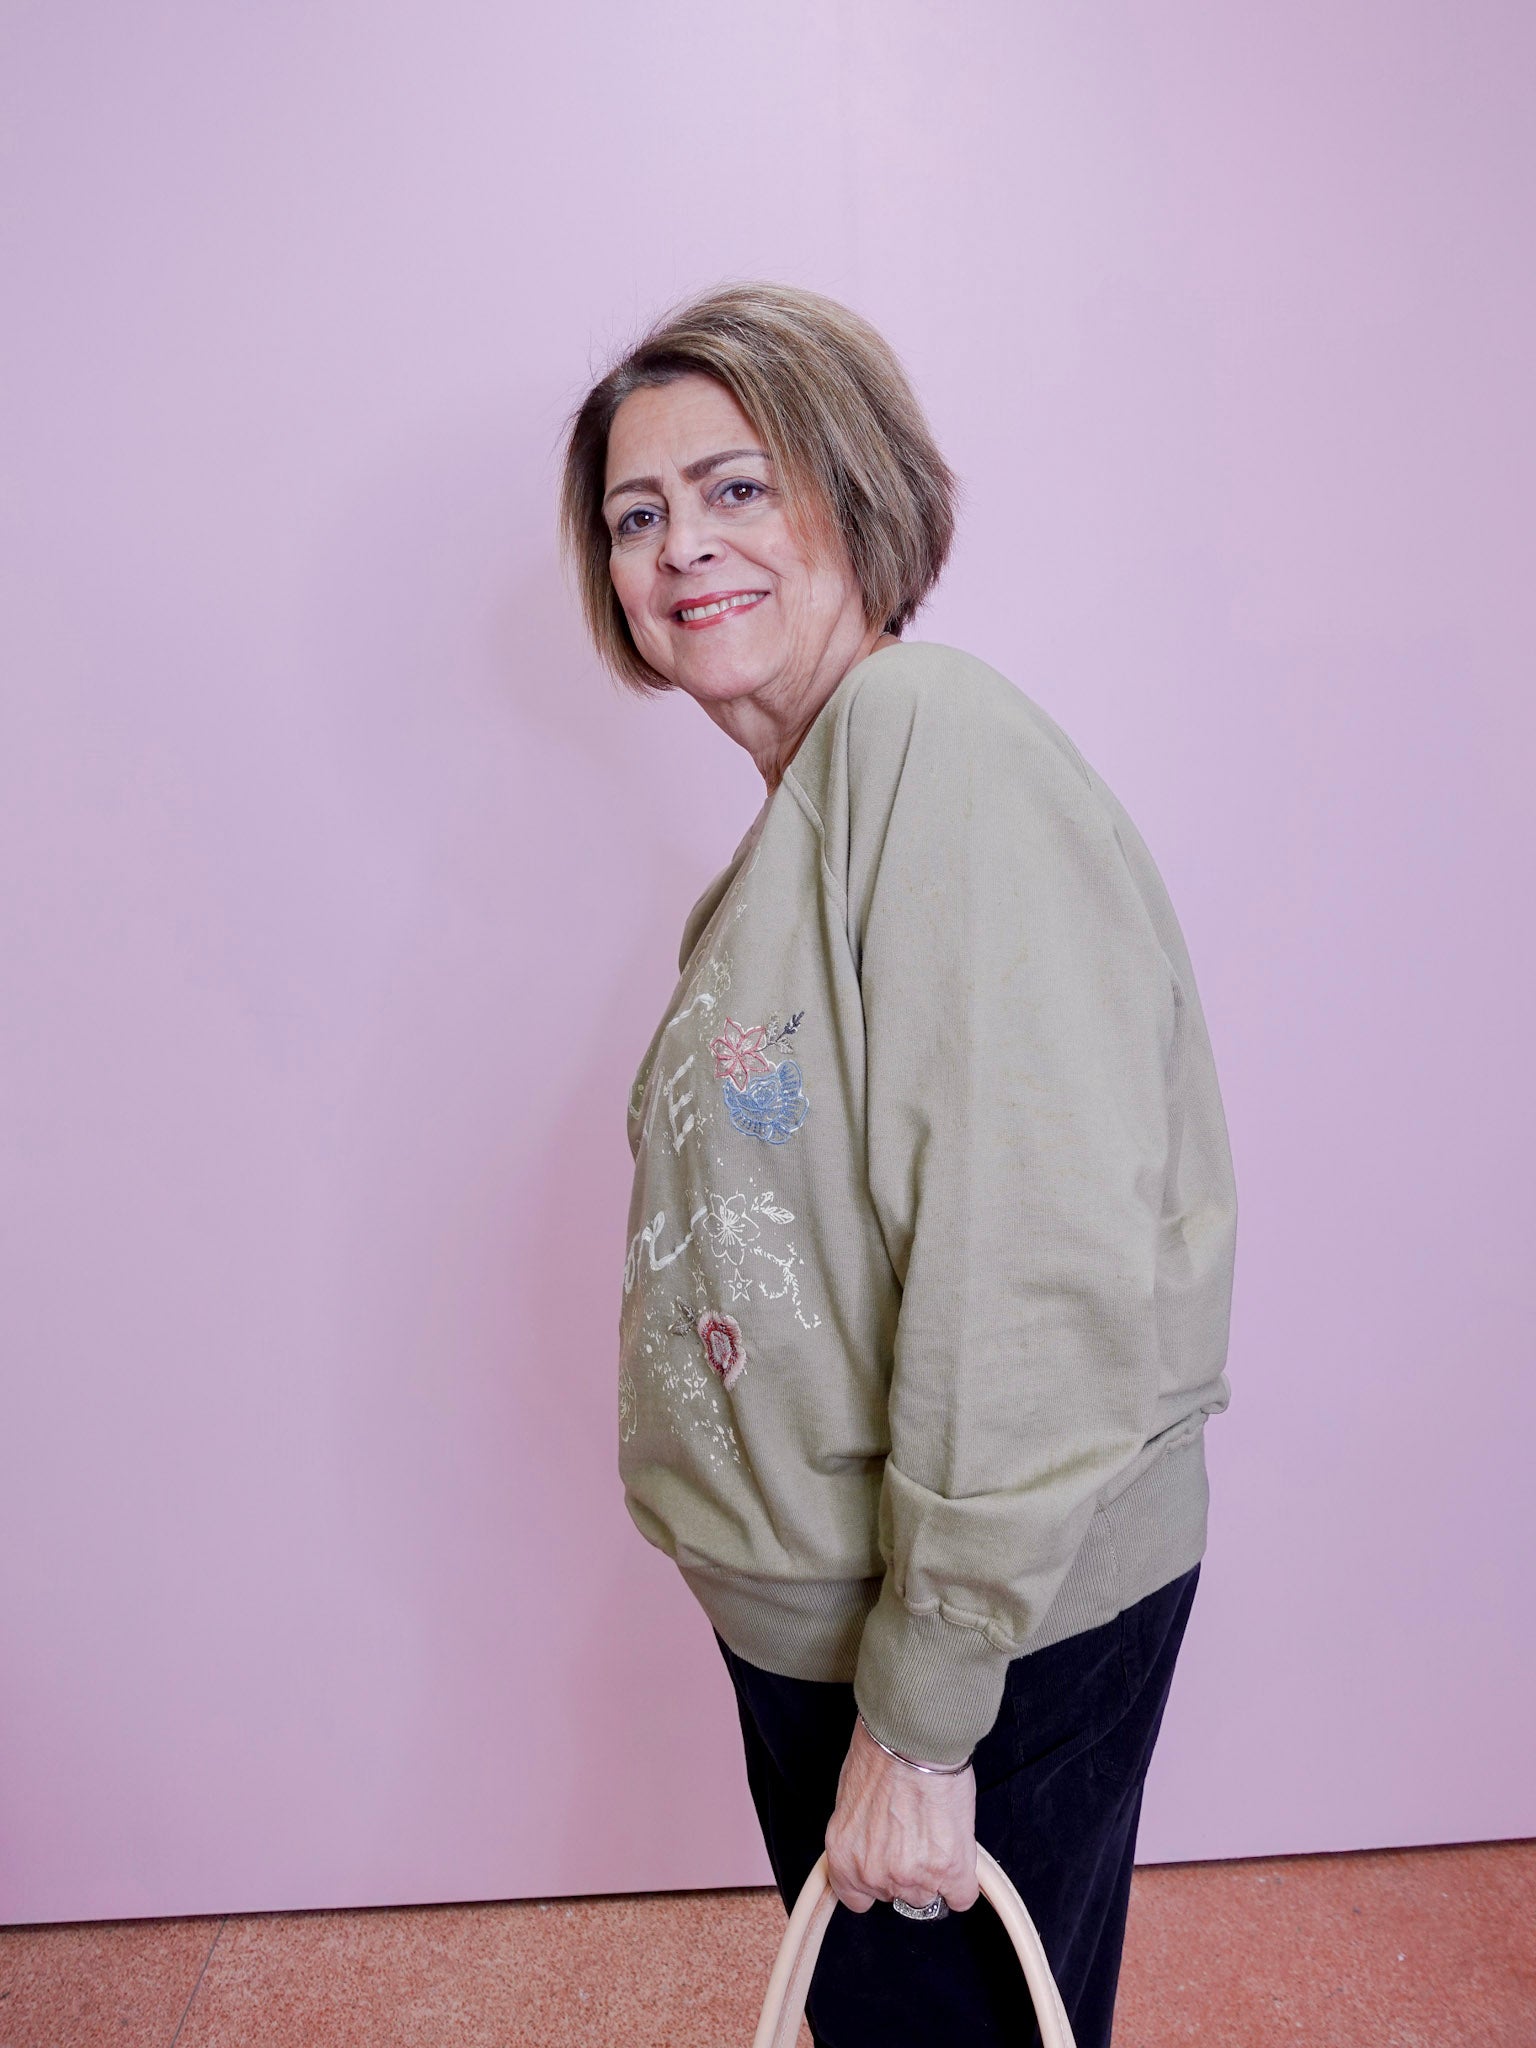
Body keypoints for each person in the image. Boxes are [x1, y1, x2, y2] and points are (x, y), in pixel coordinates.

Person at [559, 282, 1238, 2048]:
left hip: (963, 1646)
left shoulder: (934, 743)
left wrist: (926, 1714)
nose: (678, 549)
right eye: (638, 517)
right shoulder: (810, 813)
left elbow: (1029, 1258)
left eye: (733, 488)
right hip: (854, 1629)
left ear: (852, 492)